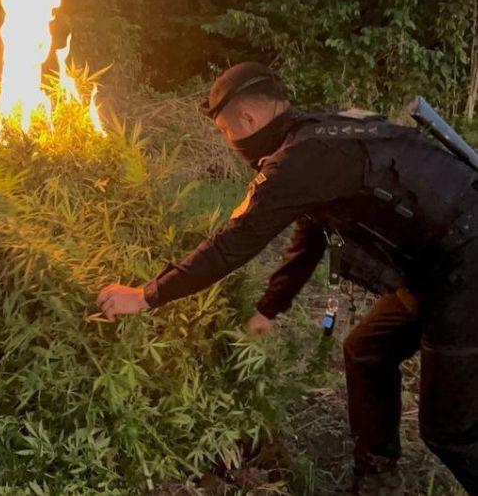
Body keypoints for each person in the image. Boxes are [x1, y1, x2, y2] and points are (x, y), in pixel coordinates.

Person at [96, 62, 478, 495]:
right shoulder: (320, 133)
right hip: (434, 262)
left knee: (451, 431)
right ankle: (377, 477)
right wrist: (268, 308)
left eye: (225, 131)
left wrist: (146, 295)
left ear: (248, 120)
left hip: (464, 263)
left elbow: (233, 243)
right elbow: (312, 231)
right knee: (366, 351)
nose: (229, 142)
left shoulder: (297, 160)